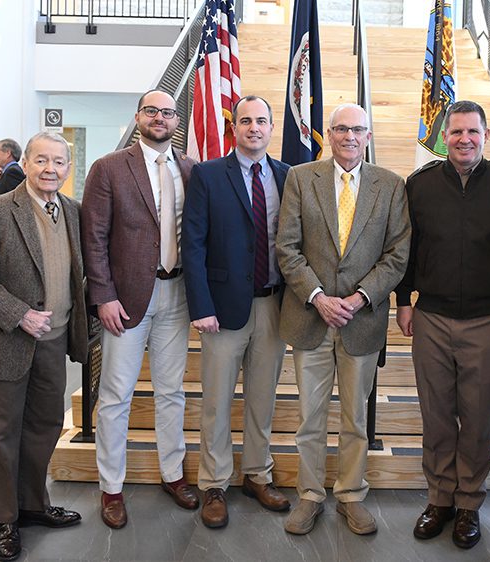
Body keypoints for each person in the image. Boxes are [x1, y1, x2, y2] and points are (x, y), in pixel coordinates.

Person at [394, 100, 490, 550]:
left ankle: (469, 503)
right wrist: (403, 300)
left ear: (485, 135)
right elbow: (407, 249)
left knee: (478, 418)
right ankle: (440, 500)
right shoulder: (421, 185)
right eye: (455, 133)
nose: (464, 140)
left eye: (472, 132)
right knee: (436, 417)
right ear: (443, 137)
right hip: (430, 316)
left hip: (488, 319)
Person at [276, 103, 411, 536]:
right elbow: (288, 247)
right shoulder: (301, 178)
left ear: (367, 136)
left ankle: (351, 494)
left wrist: (359, 297)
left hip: (362, 320)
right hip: (309, 318)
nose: (349, 136)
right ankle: (311, 496)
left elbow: (397, 254)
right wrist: (318, 296)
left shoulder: (391, 185)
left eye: (357, 129)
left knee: (355, 418)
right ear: (328, 135)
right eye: (340, 129)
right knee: (310, 417)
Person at [0, 132, 88, 562]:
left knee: (45, 426)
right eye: (42, 161)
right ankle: (4, 519)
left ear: (68, 168)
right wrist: (20, 314)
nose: (51, 169)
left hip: (53, 342)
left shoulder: (72, 211)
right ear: (26, 164)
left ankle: (32, 505)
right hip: (5, 343)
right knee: (2, 435)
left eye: (59, 162)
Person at [81, 89, 198, 529]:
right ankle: (111, 488)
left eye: (167, 113)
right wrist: (103, 295)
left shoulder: (189, 168)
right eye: (152, 111)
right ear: (138, 117)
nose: (160, 118)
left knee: (172, 392)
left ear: (175, 121)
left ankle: (174, 474)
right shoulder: (109, 168)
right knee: (115, 397)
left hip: (177, 295)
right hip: (125, 301)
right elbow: (92, 238)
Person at [181, 95, 291, 528]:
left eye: (261, 121)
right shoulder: (208, 175)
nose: (254, 128)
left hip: (274, 305)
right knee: (217, 403)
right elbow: (193, 243)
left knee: (262, 401)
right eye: (246, 121)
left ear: (270, 127)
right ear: (234, 127)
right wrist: (201, 305)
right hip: (222, 311)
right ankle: (214, 484)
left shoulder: (287, 175)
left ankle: (258, 475)